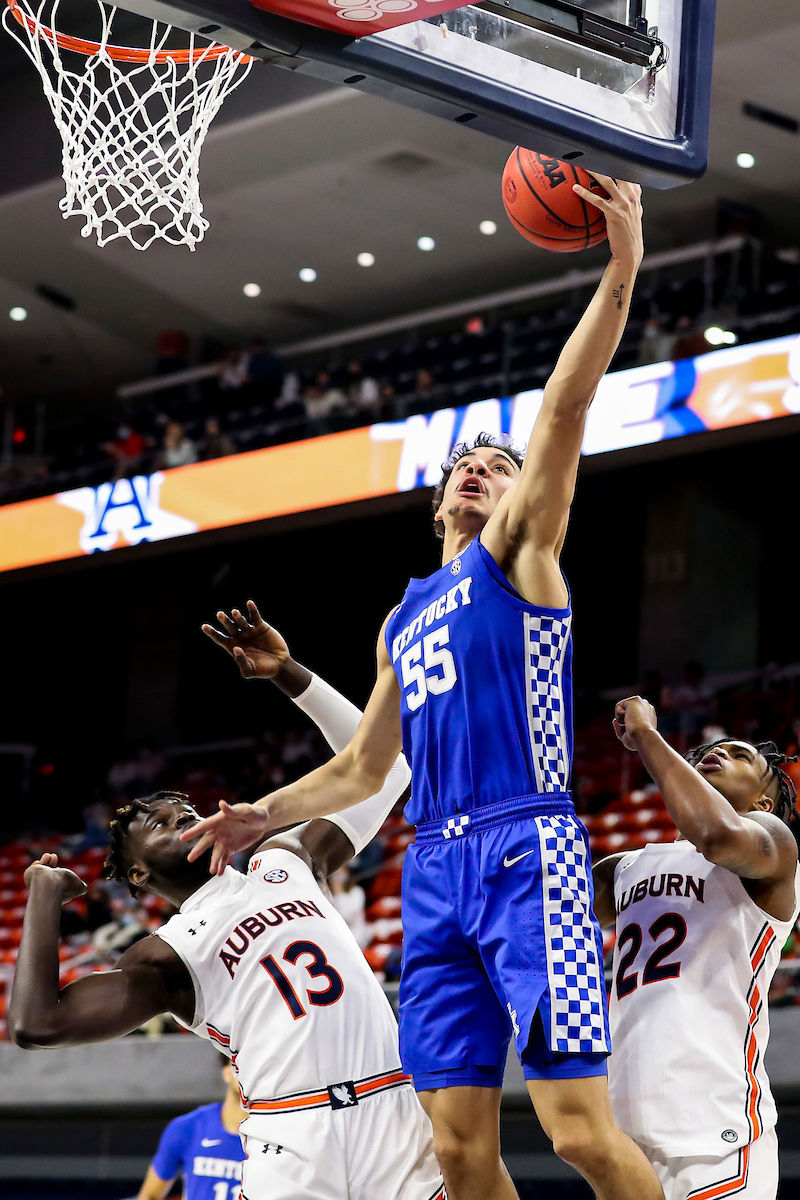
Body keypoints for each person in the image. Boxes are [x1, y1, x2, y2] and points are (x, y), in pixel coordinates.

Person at [184, 177, 663, 1200]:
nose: (482, 471)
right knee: (450, 1152)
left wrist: (619, 271)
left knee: (577, 1135)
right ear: (437, 494)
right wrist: (256, 814)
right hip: (433, 869)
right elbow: (366, 764)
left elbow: (564, 411)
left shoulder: (521, 554)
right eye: (467, 463)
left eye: (498, 464)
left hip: (527, 844)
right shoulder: (401, 616)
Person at [9, 642, 443, 1200]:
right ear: (138, 874)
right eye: (155, 822)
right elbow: (35, 1026)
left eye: (181, 808)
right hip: (292, 1136)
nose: (176, 812)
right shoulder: (165, 956)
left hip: (393, 1112)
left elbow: (386, 770)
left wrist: (291, 675)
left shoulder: (286, 859)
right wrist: (43, 897)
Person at [593, 695, 800, 1200]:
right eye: (713, 748)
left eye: (739, 755)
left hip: (715, 1134)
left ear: (763, 803)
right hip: (626, 1131)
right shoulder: (625, 866)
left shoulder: (773, 843)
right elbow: (547, 909)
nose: (718, 752)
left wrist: (645, 736)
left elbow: (714, 833)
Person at [136, 1054, 245, 1200]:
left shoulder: (274, 1140)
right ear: (226, 1072)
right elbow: (150, 1195)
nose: (248, 1074)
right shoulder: (188, 1127)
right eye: (241, 1065)